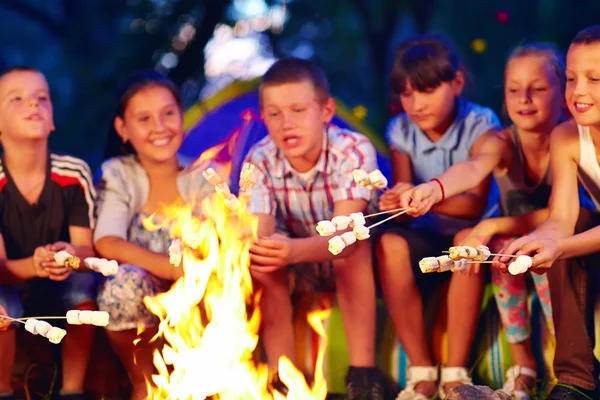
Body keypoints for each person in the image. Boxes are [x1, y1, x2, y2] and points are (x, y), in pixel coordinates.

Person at [397, 43, 566, 399]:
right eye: (514, 90)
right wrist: (435, 188)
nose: (525, 99)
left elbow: (560, 215)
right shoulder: (501, 141)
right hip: (515, 241)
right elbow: (474, 168)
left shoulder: (569, 140)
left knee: (540, 255)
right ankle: (523, 369)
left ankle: (563, 368)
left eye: (537, 89)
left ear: (563, 93)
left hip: (565, 238)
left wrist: (489, 226)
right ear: (504, 96)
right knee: (502, 256)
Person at [244, 57, 383, 400]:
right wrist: (271, 248)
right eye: (274, 114)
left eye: (297, 110)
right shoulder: (259, 160)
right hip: (300, 267)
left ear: (326, 111)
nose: (286, 124)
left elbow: (346, 237)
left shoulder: (351, 151)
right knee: (264, 262)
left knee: (354, 244)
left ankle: (362, 376)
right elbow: (261, 233)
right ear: (264, 118)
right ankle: (283, 378)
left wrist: (290, 249)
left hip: (359, 265)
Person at [375, 35, 502, 400]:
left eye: (427, 90)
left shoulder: (481, 122)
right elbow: (404, 197)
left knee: (466, 243)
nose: (416, 104)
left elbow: (474, 205)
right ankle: (421, 372)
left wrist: (421, 196)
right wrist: (395, 201)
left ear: (457, 83)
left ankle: (455, 374)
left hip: (473, 229)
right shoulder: (400, 130)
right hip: (426, 231)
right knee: (390, 243)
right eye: (406, 93)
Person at [93, 70, 214, 400]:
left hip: (195, 297)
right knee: (124, 285)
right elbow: (107, 242)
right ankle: (145, 383)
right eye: (144, 118)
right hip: (141, 305)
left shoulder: (203, 175)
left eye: (168, 114)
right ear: (123, 129)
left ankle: (205, 379)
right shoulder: (119, 173)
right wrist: (169, 268)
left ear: (182, 117)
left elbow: (218, 244)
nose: (160, 127)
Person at [496, 25, 600, 400]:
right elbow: (562, 217)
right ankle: (577, 381)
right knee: (567, 234)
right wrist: (536, 241)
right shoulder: (567, 136)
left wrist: (560, 246)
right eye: (572, 79)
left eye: (595, 78)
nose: (580, 91)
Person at [0, 67, 97, 400]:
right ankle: (5, 391)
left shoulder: (73, 174)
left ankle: (72, 390)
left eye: (42, 98)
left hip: (61, 281)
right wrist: (36, 265)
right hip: (10, 279)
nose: (33, 104)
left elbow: (87, 251)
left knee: (83, 287)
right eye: (17, 98)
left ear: (53, 119)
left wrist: (68, 257)